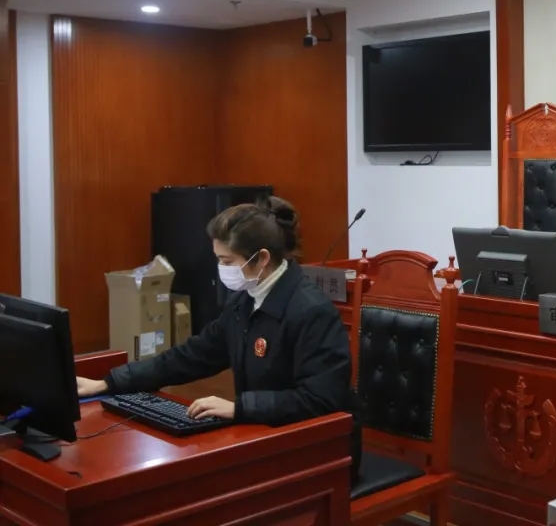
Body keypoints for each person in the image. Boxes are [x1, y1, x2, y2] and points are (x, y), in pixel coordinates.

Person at [76, 197, 362, 470]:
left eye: (227, 261)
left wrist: (240, 408)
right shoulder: (244, 301)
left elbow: (320, 400)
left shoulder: (312, 311)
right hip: (263, 435)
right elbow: (191, 356)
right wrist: (110, 382)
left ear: (262, 258)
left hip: (319, 452)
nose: (221, 270)